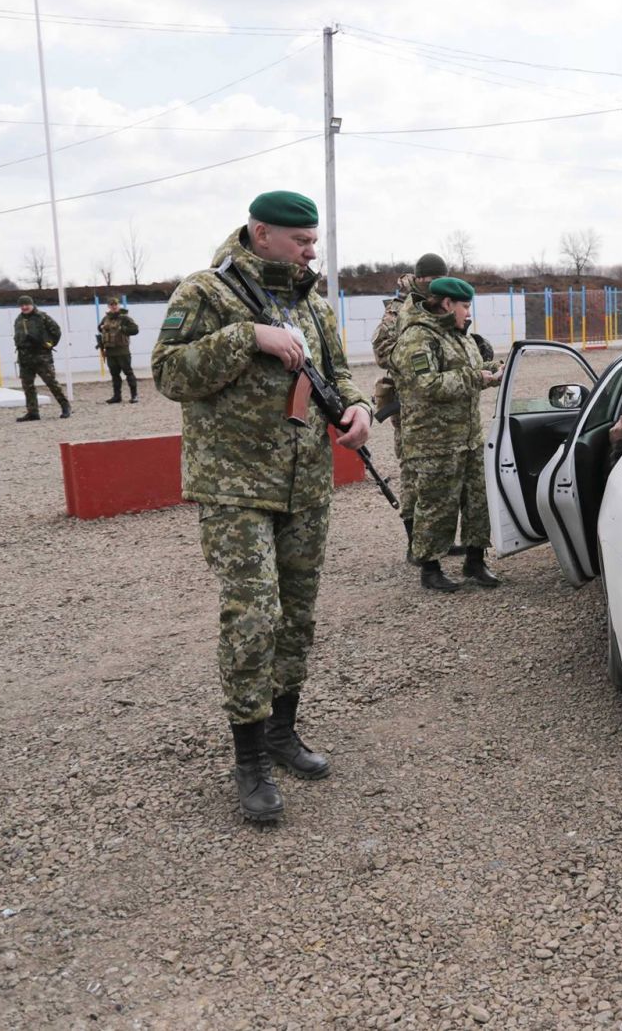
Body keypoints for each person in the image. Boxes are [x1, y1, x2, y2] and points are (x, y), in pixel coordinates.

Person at [152, 190, 372, 824]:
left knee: (297, 612)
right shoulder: (206, 293)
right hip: (235, 484)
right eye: (300, 240)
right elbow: (169, 375)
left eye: (314, 241)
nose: (311, 250)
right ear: (261, 232)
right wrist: (246, 337)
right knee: (254, 613)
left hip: (306, 483)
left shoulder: (315, 303)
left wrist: (355, 408)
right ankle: (249, 757)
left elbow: (340, 373)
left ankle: (282, 730)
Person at [388, 277, 501, 592]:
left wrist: (494, 370)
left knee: (477, 502)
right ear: (448, 304)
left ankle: (475, 561)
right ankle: (430, 568)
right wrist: (476, 377)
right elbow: (426, 385)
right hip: (433, 441)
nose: (468, 313)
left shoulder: (459, 336)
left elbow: (472, 369)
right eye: (465, 306)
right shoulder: (418, 338)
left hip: (468, 437)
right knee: (436, 505)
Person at [372, 253, 449, 557]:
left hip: (439, 398)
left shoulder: (444, 303)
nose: (433, 287)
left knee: (442, 470)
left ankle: (437, 538)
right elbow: (382, 351)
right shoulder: (399, 309)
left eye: (438, 281)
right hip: (409, 401)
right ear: (418, 280)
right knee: (413, 470)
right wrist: (417, 360)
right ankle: (414, 542)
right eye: (427, 282)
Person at [13, 295, 71, 422]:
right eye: (21, 305)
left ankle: (65, 406)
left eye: (26, 304)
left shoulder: (42, 317)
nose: (24, 307)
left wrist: (48, 344)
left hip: (41, 357)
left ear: (32, 304)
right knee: (27, 386)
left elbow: (56, 331)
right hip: (24, 358)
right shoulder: (18, 319)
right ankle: (32, 412)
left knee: (52, 383)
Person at [97, 298, 141, 403]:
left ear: (118, 305)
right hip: (110, 351)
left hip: (122, 350)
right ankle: (117, 396)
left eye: (115, 304)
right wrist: (102, 327)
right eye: (111, 304)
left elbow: (135, 330)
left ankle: (134, 395)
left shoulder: (125, 318)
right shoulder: (106, 318)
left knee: (128, 373)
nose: (114, 306)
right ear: (108, 306)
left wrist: (123, 329)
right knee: (114, 374)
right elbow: (99, 328)